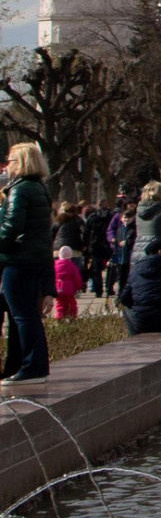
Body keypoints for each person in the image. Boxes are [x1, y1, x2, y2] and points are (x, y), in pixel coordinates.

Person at [0, 143, 53, 379]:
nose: (6, 165)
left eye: (10, 161)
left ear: (19, 162)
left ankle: (32, 365)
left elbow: (12, 226)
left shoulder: (20, 190)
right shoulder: (38, 188)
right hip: (33, 259)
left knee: (22, 316)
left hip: (18, 259)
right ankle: (17, 365)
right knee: (21, 315)